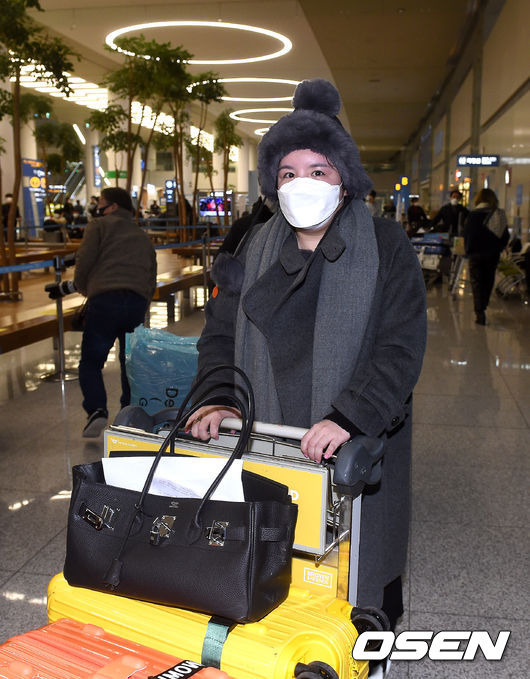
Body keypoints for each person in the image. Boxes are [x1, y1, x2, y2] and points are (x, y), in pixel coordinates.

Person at [185, 79, 427, 657]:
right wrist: (216, 397)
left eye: (318, 171)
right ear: (272, 183)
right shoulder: (254, 246)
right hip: (269, 436)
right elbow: (219, 334)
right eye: (288, 172)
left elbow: (401, 345)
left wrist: (350, 416)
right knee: (275, 576)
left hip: (351, 442)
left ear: (345, 179)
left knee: (356, 583)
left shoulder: (385, 245)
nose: (302, 185)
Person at [47, 187, 157, 437]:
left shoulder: (98, 226)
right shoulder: (142, 235)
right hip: (136, 302)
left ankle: (97, 409)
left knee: (91, 361)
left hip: (105, 300)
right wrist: (144, 300)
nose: (98, 207)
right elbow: (151, 271)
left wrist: (86, 289)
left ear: (114, 206)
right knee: (129, 362)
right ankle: (127, 415)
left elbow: (84, 261)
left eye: (102, 203)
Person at [464, 188, 509, 325]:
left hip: (475, 254)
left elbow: (468, 235)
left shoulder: (472, 215)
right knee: (488, 280)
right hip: (492, 254)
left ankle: (479, 312)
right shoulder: (498, 214)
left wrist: (468, 251)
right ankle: (483, 304)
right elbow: (505, 236)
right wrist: (499, 247)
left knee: (476, 282)